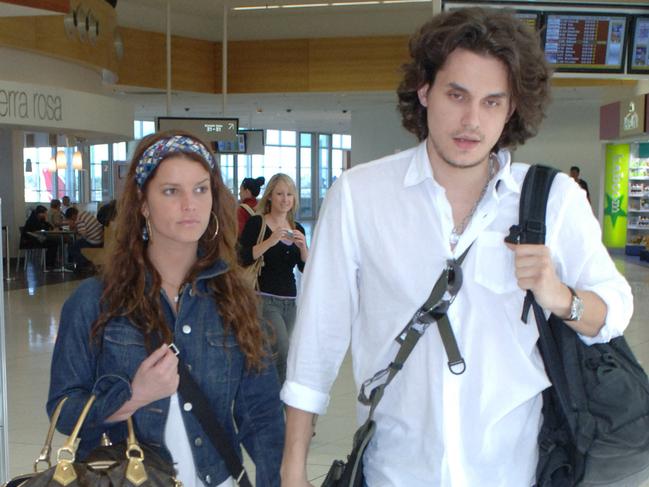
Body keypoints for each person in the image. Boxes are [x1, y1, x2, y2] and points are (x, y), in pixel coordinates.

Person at [280, 8, 633, 487]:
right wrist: (293, 466)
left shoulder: (552, 201)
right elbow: (318, 339)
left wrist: (558, 296)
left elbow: (614, 311)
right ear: (424, 92)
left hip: (512, 471)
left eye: (492, 102)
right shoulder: (361, 195)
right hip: (395, 471)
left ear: (512, 109)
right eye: (457, 95)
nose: (471, 120)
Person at [47, 131, 285, 487]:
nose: (190, 204)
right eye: (171, 191)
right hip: (121, 478)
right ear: (143, 203)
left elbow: (262, 416)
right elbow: (63, 410)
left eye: (201, 189)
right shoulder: (96, 300)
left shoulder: (236, 301)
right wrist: (133, 395)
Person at [239, 173, 308, 385]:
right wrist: (271, 240)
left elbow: (305, 267)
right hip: (264, 299)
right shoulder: (257, 223)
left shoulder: (297, 228)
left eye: (289, 194)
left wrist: (303, 247)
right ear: (269, 197)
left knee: (275, 354)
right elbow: (242, 257)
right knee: (284, 350)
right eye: (279, 194)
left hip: (289, 301)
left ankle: (264, 394)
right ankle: (280, 403)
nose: (285, 199)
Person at [65, 206, 104, 271]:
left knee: (71, 248)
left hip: (94, 241)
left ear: (73, 216)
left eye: (70, 219)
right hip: (99, 239)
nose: (71, 220)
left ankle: (85, 265)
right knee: (77, 244)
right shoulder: (85, 213)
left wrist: (74, 227)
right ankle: (80, 265)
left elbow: (83, 234)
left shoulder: (79, 219)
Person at [20, 205, 58, 269]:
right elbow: (38, 229)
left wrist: (46, 222)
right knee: (53, 243)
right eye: (44, 213)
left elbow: (49, 227)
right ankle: (49, 264)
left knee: (54, 242)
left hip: (36, 239)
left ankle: (50, 263)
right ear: (40, 213)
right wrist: (46, 222)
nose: (46, 214)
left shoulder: (40, 219)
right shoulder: (32, 220)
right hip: (29, 241)